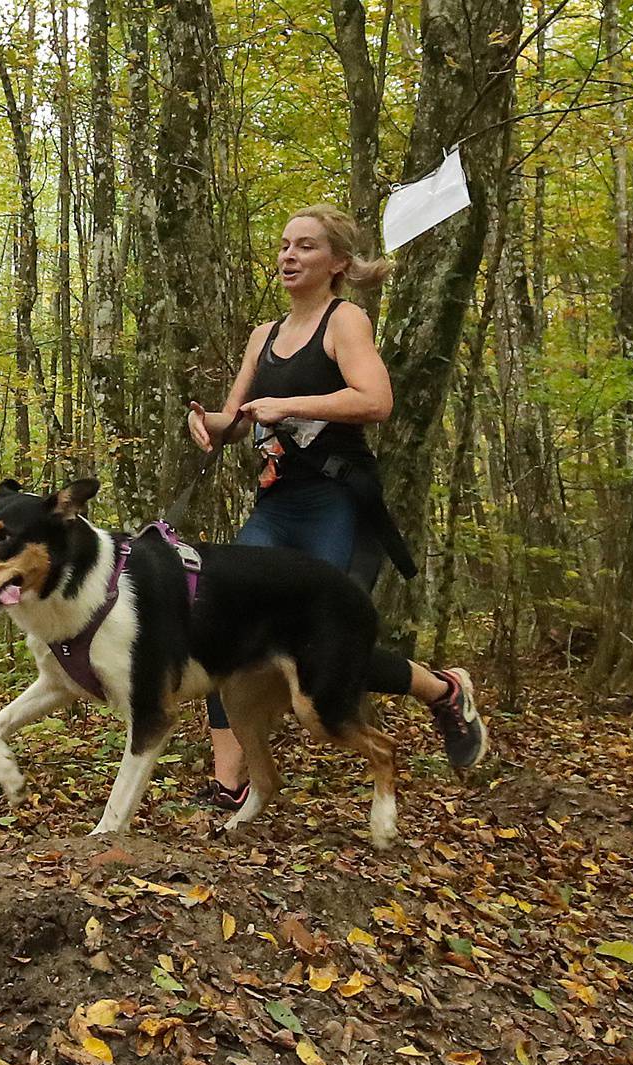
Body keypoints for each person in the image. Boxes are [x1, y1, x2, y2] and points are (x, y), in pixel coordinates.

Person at [187, 205, 487, 808]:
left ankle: (443, 691)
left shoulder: (344, 319)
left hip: (336, 503)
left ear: (339, 264)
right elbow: (240, 417)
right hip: (276, 502)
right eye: (283, 246)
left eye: (306, 247)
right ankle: (230, 783)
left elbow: (376, 400)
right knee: (223, 626)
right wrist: (212, 424)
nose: (289, 256)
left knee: (324, 643)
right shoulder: (263, 336)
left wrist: (292, 405)